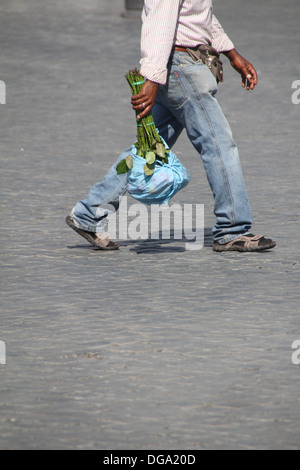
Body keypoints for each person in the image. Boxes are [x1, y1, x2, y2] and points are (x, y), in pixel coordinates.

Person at [66, 0, 276, 252]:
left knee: (150, 148)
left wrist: (231, 52)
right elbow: (160, 21)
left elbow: (200, 15)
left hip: (180, 66)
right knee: (219, 145)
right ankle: (232, 229)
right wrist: (152, 78)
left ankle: (89, 213)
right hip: (181, 68)